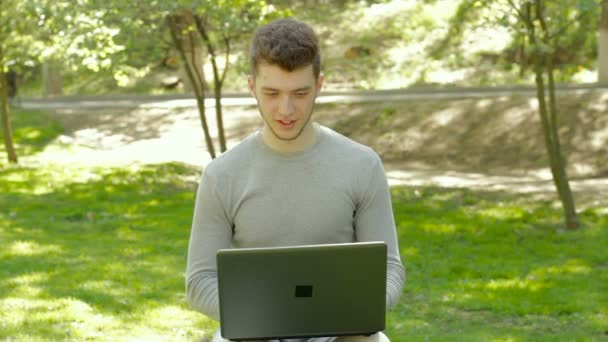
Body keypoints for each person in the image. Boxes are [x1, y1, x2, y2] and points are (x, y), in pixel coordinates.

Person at [186, 18, 405, 342]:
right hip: (255, 328)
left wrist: (354, 313)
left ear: (319, 85)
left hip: (341, 327)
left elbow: (390, 269)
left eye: (300, 93)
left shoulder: (362, 164)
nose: (285, 109)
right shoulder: (222, 175)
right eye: (271, 93)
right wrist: (265, 316)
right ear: (251, 86)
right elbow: (199, 279)